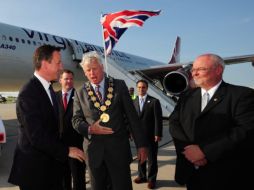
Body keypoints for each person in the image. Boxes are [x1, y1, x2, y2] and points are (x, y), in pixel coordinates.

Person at [169, 53, 254, 190]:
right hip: (191, 172)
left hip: (226, 175)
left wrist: (204, 151)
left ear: (218, 70)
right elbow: (174, 123)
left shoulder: (242, 95)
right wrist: (189, 151)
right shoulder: (187, 96)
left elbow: (245, 130)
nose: (194, 74)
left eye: (200, 69)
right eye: (193, 70)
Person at [8, 45, 85, 190]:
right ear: (45, 64)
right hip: (35, 173)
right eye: (58, 62)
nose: (61, 66)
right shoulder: (29, 93)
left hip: (49, 168)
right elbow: (36, 136)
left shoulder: (48, 90)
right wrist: (67, 150)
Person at [72, 51, 148, 190]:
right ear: (84, 73)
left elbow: (132, 118)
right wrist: (89, 129)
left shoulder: (119, 86)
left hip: (118, 151)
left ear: (102, 67)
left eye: (94, 68)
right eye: (88, 70)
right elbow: (76, 120)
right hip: (94, 153)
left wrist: (141, 145)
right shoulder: (79, 92)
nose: (92, 73)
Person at [57, 69, 86, 190]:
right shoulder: (54, 96)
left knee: (78, 179)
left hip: (77, 145)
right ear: (60, 80)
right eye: (66, 79)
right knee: (63, 179)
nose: (69, 81)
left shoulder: (81, 96)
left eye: (71, 79)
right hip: (59, 147)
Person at [133, 79, 163, 189]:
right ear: (137, 88)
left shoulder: (154, 101)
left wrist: (157, 133)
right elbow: (132, 119)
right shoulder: (134, 101)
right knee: (141, 157)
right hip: (139, 136)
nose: (141, 89)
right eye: (139, 87)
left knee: (151, 158)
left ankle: (152, 179)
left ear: (147, 88)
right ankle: (142, 176)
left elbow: (158, 119)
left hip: (151, 135)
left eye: (143, 87)